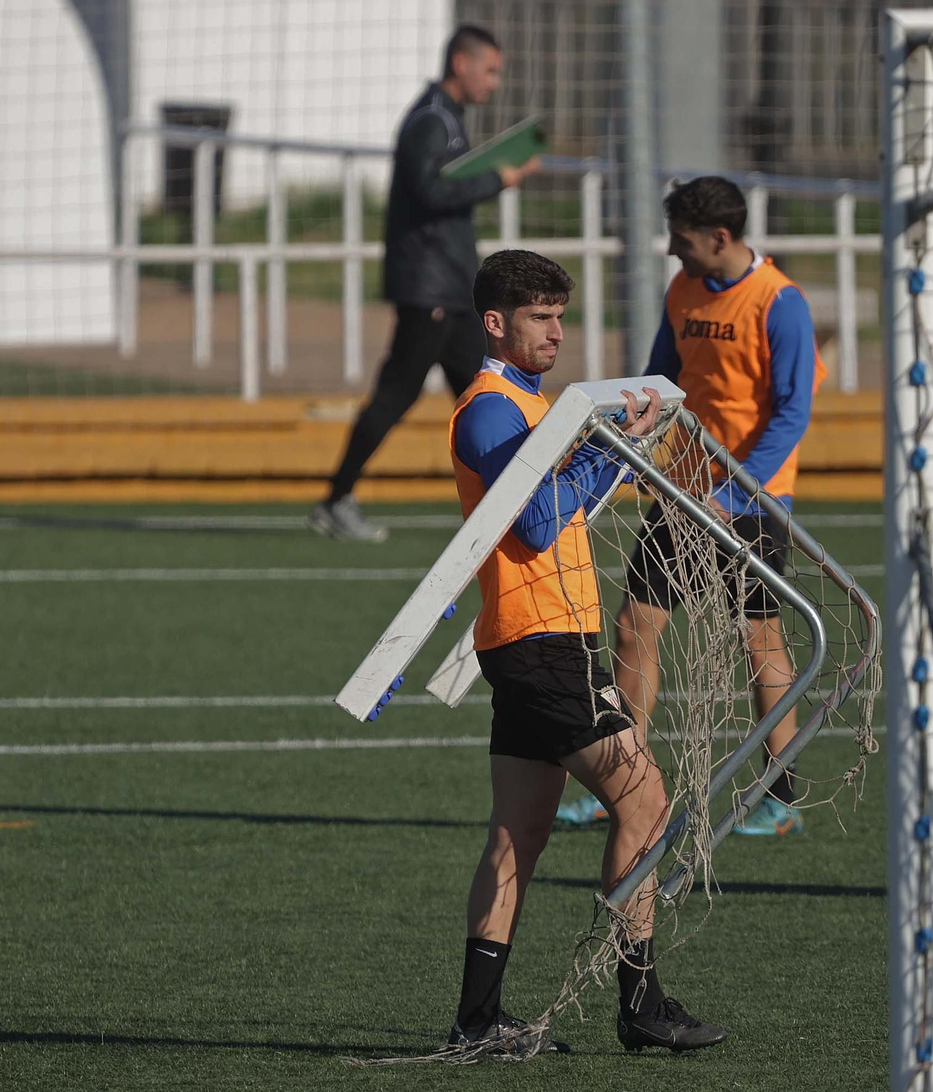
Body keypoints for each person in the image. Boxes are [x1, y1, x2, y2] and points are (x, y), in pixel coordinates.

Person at [445, 249, 728, 1057]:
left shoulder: (530, 405)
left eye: (560, 317)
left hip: (544, 639)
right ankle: (640, 1003)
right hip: (541, 644)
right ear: (496, 323)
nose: (555, 333)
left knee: (519, 834)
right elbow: (536, 524)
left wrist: (615, 445)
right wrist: (608, 446)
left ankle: (477, 1021)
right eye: (539, 317)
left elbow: (563, 504)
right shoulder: (490, 410)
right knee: (645, 801)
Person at [555, 176, 828, 837]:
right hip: (683, 493)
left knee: (759, 637)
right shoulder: (682, 289)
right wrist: (624, 442)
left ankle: (782, 797)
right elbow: (658, 381)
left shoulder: (779, 302)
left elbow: (792, 413)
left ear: (720, 237)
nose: (674, 251)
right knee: (634, 626)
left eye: (682, 240)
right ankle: (623, 783)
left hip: (751, 502)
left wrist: (735, 492)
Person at [310, 25, 540, 542]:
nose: (494, 83)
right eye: (490, 71)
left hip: (449, 290)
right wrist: (497, 179)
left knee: (488, 390)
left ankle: (520, 497)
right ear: (461, 63)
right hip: (429, 291)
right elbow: (430, 192)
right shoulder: (431, 120)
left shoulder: (448, 118)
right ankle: (336, 499)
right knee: (400, 395)